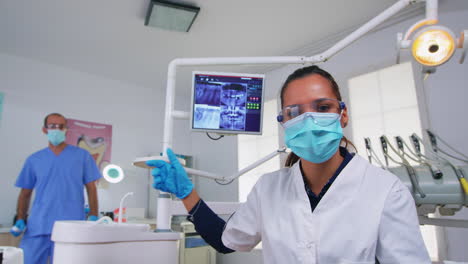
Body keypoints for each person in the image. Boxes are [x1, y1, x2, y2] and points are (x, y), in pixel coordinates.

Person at [146, 66, 431, 263]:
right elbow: (227, 240)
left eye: (322, 108)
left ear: (342, 115)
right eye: (294, 111)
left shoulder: (385, 191)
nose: (308, 119)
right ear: (283, 123)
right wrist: (185, 192)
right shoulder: (269, 188)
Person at [10, 113, 102, 264]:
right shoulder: (34, 160)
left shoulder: (82, 156)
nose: (57, 129)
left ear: (66, 129)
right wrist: (20, 218)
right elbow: (25, 193)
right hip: (39, 225)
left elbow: (91, 188)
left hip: (71, 226)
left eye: (61, 126)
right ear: (45, 130)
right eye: (52, 126)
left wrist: (93, 216)